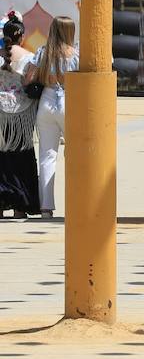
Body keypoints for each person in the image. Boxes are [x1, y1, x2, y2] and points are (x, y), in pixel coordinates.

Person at [25, 16, 79, 218]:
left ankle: (46, 207)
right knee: (75, 154)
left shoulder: (42, 52)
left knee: (47, 157)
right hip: (68, 101)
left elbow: (28, 77)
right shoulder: (76, 54)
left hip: (46, 101)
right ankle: (76, 201)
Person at [0, 12, 39, 218]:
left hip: (1, 115)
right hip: (22, 115)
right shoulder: (30, 58)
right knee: (22, 158)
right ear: (22, 37)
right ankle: (20, 207)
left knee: (2, 158)